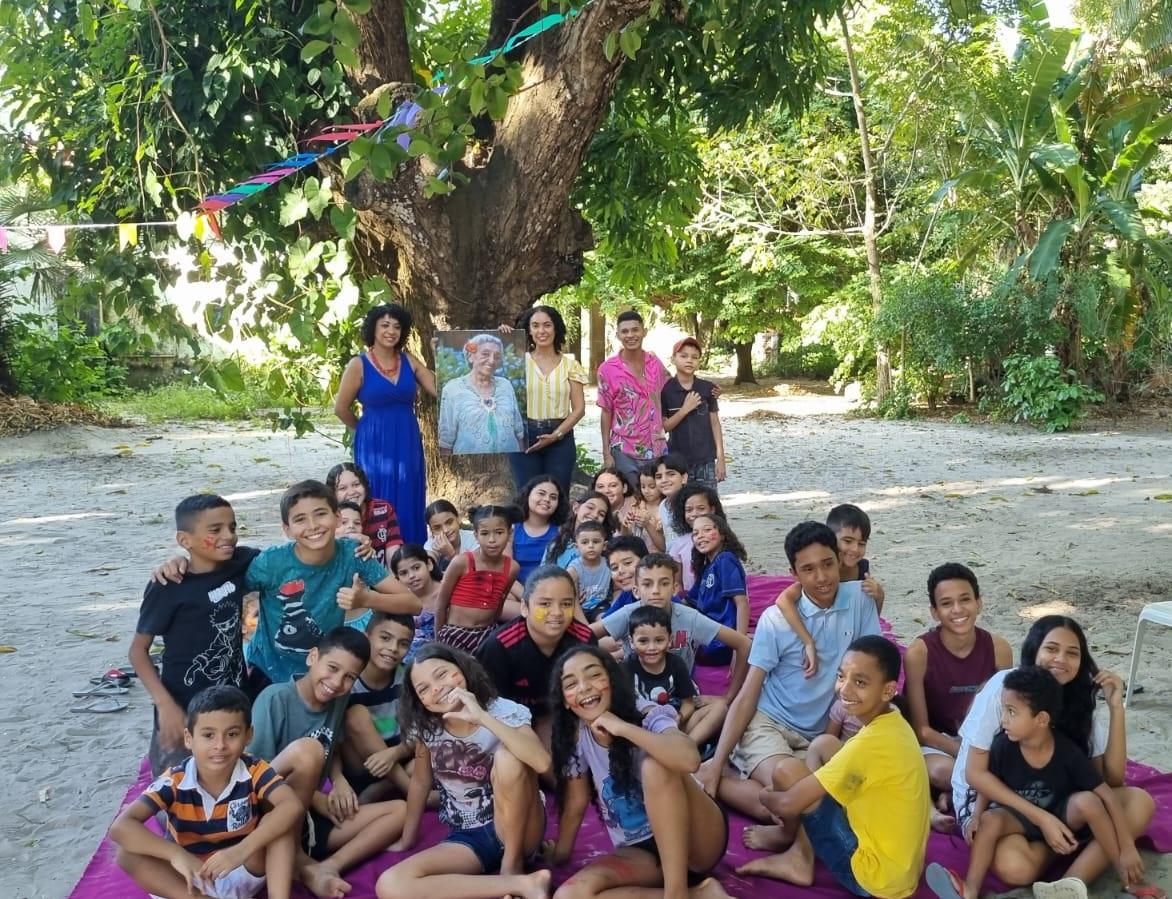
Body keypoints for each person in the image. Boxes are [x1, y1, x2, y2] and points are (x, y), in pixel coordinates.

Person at [950, 615, 1159, 896]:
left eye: (1072, 653)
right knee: (1015, 867)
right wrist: (1043, 820)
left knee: (1139, 803)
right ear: (1034, 650)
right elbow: (977, 775)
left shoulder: (1077, 697)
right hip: (1000, 802)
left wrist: (1116, 709)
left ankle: (1070, 882)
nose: (1060, 659)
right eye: (1051, 648)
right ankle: (1071, 841)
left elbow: (1110, 780)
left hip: (1056, 799)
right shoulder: (1007, 689)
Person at [698, 521, 881, 824]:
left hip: (819, 737)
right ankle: (715, 768)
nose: (821, 577)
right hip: (768, 725)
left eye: (827, 564)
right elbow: (748, 695)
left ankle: (735, 770)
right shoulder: (775, 620)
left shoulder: (861, 601)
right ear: (793, 574)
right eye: (808, 570)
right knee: (796, 799)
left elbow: (874, 672)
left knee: (809, 801)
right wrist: (716, 765)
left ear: (839, 560)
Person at [735, 636, 930, 899]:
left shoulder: (867, 745)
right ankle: (799, 848)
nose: (845, 689)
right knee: (824, 744)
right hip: (903, 871)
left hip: (873, 880)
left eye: (859, 682)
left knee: (786, 772)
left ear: (888, 690)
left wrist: (766, 794)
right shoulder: (894, 721)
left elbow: (786, 805)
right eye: (841, 677)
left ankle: (799, 859)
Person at [546, 645, 732, 899]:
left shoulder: (645, 712)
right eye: (571, 683)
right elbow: (577, 801)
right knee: (568, 896)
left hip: (697, 837)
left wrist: (622, 727)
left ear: (611, 679)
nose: (584, 687)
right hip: (641, 849)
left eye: (593, 675)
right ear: (565, 701)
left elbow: (689, 760)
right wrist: (560, 855)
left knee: (655, 765)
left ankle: (676, 894)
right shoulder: (576, 735)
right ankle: (699, 894)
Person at [375, 645, 551, 899]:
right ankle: (524, 885)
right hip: (471, 834)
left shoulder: (502, 710)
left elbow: (541, 763)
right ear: (419, 700)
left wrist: (481, 717)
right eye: (423, 688)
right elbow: (421, 783)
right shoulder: (429, 726)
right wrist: (407, 838)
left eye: (442, 674)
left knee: (508, 758)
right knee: (390, 884)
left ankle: (512, 867)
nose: (436, 688)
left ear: (463, 669)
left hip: (521, 828)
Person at [247, 628, 408, 898]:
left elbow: (330, 745)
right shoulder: (275, 698)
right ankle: (302, 864)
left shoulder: (338, 699)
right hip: (269, 816)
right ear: (312, 657)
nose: (336, 682)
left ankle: (327, 866)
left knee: (400, 811)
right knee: (306, 752)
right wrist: (314, 799)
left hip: (308, 820)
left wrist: (338, 780)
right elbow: (254, 776)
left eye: (349, 678)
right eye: (332, 668)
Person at [110, 685, 303, 899]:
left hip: (239, 868)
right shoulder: (174, 780)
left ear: (248, 735)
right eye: (208, 735)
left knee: (278, 824)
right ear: (189, 738)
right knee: (126, 854)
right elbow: (121, 827)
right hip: (190, 881)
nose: (220, 745)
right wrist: (175, 854)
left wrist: (241, 850)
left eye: (232, 734)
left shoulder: (254, 769)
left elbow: (291, 805)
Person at [244, 480, 420, 690]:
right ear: (287, 530)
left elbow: (413, 603)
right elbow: (231, 585)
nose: (313, 525)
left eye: (320, 514)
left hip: (324, 673)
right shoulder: (271, 562)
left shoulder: (353, 554)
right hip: (268, 671)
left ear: (337, 517)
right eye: (300, 519)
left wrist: (366, 599)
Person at [131, 494, 261, 775]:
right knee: (175, 782)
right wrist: (165, 706)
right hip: (183, 706)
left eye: (233, 527)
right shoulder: (168, 585)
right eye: (215, 530)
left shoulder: (241, 562)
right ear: (184, 540)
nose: (229, 536)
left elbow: (292, 557)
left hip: (233, 700)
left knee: (232, 776)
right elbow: (137, 651)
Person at [903, 563, 1013, 813]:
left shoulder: (999, 648)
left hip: (983, 741)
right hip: (939, 744)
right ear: (934, 612)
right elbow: (922, 730)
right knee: (943, 772)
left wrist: (985, 751)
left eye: (965, 599)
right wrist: (969, 754)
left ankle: (954, 795)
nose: (957, 610)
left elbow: (1006, 713)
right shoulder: (919, 652)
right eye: (946, 603)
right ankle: (958, 789)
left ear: (979, 603)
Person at [334, 303, 437, 544]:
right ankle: (375, 555)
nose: (391, 331)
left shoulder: (409, 361)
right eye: (385, 325)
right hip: (374, 442)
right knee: (375, 495)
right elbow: (341, 408)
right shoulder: (358, 364)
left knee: (408, 491)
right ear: (373, 329)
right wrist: (364, 431)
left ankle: (410, 555)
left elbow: (437, 389)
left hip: (406, 438)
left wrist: (438, 355)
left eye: (397, 326)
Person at [594, 554, 750, 700]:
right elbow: (583, 635)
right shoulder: (628, 614)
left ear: (675, 588)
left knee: (719, 710)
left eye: (664, 583)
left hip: (680, 693)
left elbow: (744, 644)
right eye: (647, 584)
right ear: (636, 590)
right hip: (636, 693)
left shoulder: (689, 617)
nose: (656, 591)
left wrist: (729, 697)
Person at [476, 566, 595, 744]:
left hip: (567, 715)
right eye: (545, 604)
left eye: (566, 604)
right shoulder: (499, 646)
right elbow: (490, 705)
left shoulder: (584, 640)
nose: (556, 612)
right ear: (524, 607)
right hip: (514, 723)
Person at [773, 503, 886, 676]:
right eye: (848, 541)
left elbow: (869, 616)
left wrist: (879, 596)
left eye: (861, 543)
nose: (855, 549)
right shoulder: (823, 571)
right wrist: (808, 641)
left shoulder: (862, 569)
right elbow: (783, 599)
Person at [504, 305, 588, 495]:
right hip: (523, 436)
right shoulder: (516, 362)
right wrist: (505, 338)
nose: (541, 331)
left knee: (557, 495)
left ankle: (558, 527)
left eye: (547, 325)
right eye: (535, 326)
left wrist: (556, 435)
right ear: (529, 330)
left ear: (555, 328)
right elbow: (482, 368)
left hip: (560, 438)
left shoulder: (570, 365)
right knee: (527, 495)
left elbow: (579, 409)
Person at [624, 605, 726, 747]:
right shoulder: (627, 667)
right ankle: (672, 751)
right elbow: (624, 707)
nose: (652, 647)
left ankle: (686, 748)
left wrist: (680, 718)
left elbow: (688, 703)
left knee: (720, 707)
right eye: (643, 641)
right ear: (632, 642)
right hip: (644, 732)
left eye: (659, 640)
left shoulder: (676, 663)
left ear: (670, 640)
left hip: (676, 726)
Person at [342, 612, 415, 802]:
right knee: (355, 715)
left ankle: (385, 786)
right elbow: (330, 736)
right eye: (385, 638)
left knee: (431, 753)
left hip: (400, 755)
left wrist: (397, 752)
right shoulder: (348, 679)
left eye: (403, 643)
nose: (393, 648)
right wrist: (337, 780)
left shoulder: (409, 677)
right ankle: (413, 791)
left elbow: (424, 727)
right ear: (367, 638)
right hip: (363, 765)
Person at [597, 310, 670, 490]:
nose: (630, 335)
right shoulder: (608, 369)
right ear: (618, 335)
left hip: (657, 448)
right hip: (624, 451)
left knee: (657, 503)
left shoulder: (655, 363)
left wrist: (708, 390)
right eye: (625, 331)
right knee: (630, 502)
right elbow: (606, 411)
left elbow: (673, 389)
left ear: (644, 331)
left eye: (635, 330)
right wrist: (607, 452)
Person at [434, 505, 522, 654]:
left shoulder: (512, 568)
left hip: (487, 635)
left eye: (499, 532)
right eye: (485, 533)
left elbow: (499, 603)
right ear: (475, 535)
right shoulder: (462, 562)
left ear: (510, 534)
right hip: (454, 635)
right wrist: (439, 644)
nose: (492, 540)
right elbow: (440, 605)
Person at [438, 333, 525, 455]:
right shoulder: (452, 389)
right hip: (470, 466)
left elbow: (518, 432)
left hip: (509, 463)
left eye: (497, 356)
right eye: (485, 354)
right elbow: (446, 441)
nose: (492, 360)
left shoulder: (506, 385)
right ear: (470, 357)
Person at [662, 337, 725, 489]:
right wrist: (684, 410)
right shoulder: (666, 390)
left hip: (706, 460)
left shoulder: (707, 388)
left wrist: (721, 458)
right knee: (680, 506)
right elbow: (665, 427)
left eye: (694, 357)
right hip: (678, 461)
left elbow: (715, 423)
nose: (689, 360)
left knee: (708, 504)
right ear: (673, 359)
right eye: (683, 356)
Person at [689, 513, 750, 666]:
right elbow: (687, 602)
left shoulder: (725, 559)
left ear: (722, 534)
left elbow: (742, 603)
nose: (700, 536)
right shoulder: (706, 568)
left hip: (722, 643)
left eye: (707, 530)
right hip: (710, 639)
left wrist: (740, 647)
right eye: (695, 533)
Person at [326, 461, 403, 564]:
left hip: (381, 574)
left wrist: (393, 578)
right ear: (333, 494)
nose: (352, 492)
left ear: (365, 485)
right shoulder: (330, 516)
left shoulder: (383, 509)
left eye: (356, 484)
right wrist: (353, 536)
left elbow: (393, 552)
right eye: (342, 488)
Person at [669, 483, 725, 593]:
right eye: (689, 510)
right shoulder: (679, 544)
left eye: (701, 508)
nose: (694, 514)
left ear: (712, 510)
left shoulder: (721, 538)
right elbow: (678, 583)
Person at [510, 475, 567, 585]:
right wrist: (526, 598)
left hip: (548, 592)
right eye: (541, 493)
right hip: (513, 591)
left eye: (553, 497)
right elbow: (505, 571)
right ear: (528, 494)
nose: (547, 499)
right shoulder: (511, 528)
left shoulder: (561, 531)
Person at [389, 543, 442, 657]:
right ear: (397, 579)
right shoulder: (402, 602)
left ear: (429, 564)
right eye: (404, 573)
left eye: (416, 568)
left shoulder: (447, 591)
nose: (411, 576)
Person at [542, 490, 612, 568]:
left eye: (601, 514)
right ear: (576, 508)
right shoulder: (556, 544)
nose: (595, 515)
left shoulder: (603, 549)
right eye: (590, 507)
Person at [566, 521, 613, 620]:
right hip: (577, 607)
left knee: (604, 619)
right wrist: (586, 628)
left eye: (595, 542)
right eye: (585, 542)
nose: (590, 546)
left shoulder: (609, 564)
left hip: (600, 606)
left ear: (604, 546)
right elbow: (572, 600)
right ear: (576, 547)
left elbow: (617, 589)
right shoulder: (573, 570)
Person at [598, 534, 648, 620]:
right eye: (614, 568)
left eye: (628, 563)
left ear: (646, 561)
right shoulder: (626, 595)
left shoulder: (660, 595)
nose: (620, 571)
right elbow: (604, 623)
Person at [423, 499, 478, 574]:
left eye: (449, 522)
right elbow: (427, 567)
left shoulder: (474, 538)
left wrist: (451, 554)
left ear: (458, 519)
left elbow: (475, 574)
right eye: (437, 528)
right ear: (432, 531)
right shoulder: (432, 543)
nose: (445, 530)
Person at [655, 452, 691, 540]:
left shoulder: (690, 504)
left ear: (684, 478)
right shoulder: (663, 505)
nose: (664, 480)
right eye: (659, 477)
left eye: (671, 474)